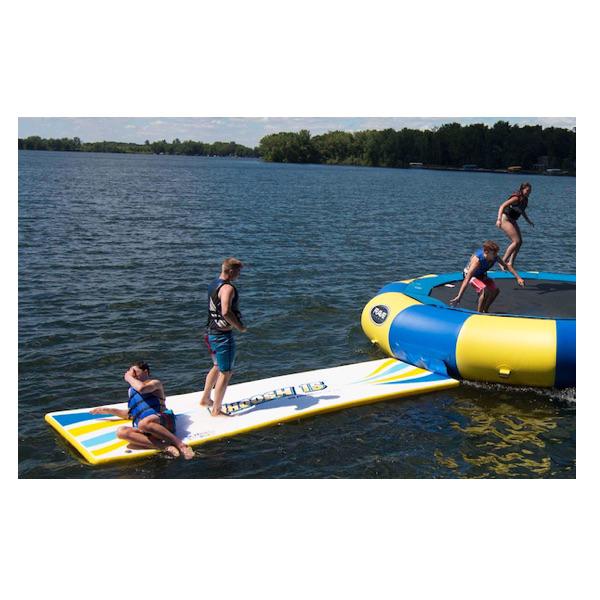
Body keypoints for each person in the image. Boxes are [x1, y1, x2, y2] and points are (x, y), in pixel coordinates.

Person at [90, 361, 194, 459]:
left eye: (135, 372)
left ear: (145, 372)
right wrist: (109, 410)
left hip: (164, 422)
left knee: (143, 423)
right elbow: (131, 414)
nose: (133, 375)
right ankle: (164, 446)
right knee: (121, 432)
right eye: (131, 373)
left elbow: (142, 389)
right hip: (146, 428)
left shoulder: (154, 383)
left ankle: (180, 444)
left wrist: (129, 377)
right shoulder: (131, 391)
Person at [200, 257, 247, 416]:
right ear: (231, 271)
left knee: (216, 366)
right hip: (222, 336)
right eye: (238, 271)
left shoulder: (213, 284)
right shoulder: (228, 288)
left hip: (210, 333)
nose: (239, 275)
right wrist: (239, 326)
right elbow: (226, 311)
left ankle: (205, 398)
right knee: (225, 372)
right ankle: (216, 410)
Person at [450, 240, 525, 313]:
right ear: (486, 252)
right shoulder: (477, 261)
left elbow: (507, 266)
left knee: (495, 291)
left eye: (496, 253)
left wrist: (518, 278)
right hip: (471, 276)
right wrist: (459, 297)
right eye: (494, 253)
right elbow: (467, 278)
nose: (496, 255)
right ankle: (479, 314)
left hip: (481, 274)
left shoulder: (495, 257)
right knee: (484, 290)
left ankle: (485, 310)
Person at [496, 182, 535, 268]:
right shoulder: (516, 198)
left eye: (530, 191)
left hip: (513, 220)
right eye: (527, 190)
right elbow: (502, 206)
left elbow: (522, 210)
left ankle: (510, 263)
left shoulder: (525, 200)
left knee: (520, 242)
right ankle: (502, 261)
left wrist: (528, 221)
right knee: (516, 241)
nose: (529, 193)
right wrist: (498, 219)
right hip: (505, 219)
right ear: (522, 189)